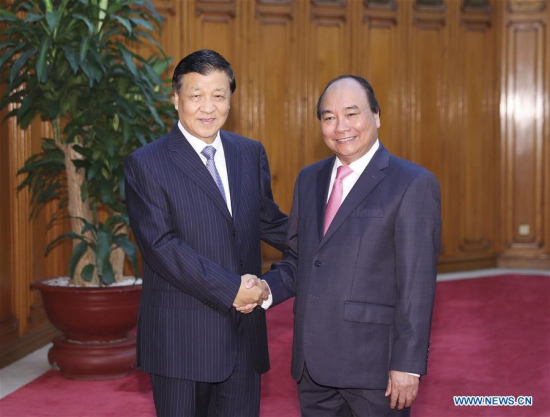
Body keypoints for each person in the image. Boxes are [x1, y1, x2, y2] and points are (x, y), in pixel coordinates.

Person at [245, 75, 441, 416]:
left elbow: (416, 285)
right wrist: (264, 288)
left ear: (377, 116)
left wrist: (408, 365)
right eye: (329, 117)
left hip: (374, 369)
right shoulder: (309, 179)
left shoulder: (412, 183)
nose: (340, 127)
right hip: (312, 366)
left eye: (352, 114)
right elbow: (299, 260)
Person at [124, 49, 287, 417]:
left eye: (219, 95)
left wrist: (329, 236)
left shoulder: (249, 153)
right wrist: (233, 289)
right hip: (181, 339)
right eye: (196, 95)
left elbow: (268, 222)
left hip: (243, 337)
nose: (208, 107)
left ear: (230, 98)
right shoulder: (146, 163)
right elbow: (161, 247)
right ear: (176, 98)